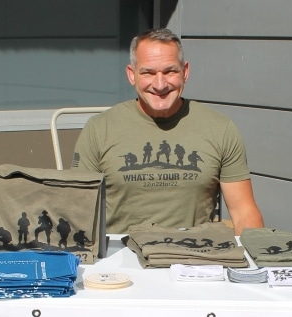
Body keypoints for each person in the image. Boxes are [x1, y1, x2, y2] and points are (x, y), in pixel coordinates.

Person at [72, 28, 264, 235]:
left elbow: (243, 211)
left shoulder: (219, 128)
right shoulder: (100, 129)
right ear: (132, 75)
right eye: (148, 72)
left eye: (170, 71)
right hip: (123, 256)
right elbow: (78, 210)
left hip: (196, 254)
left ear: (185, 72)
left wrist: (251, 261)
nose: (160, 84)